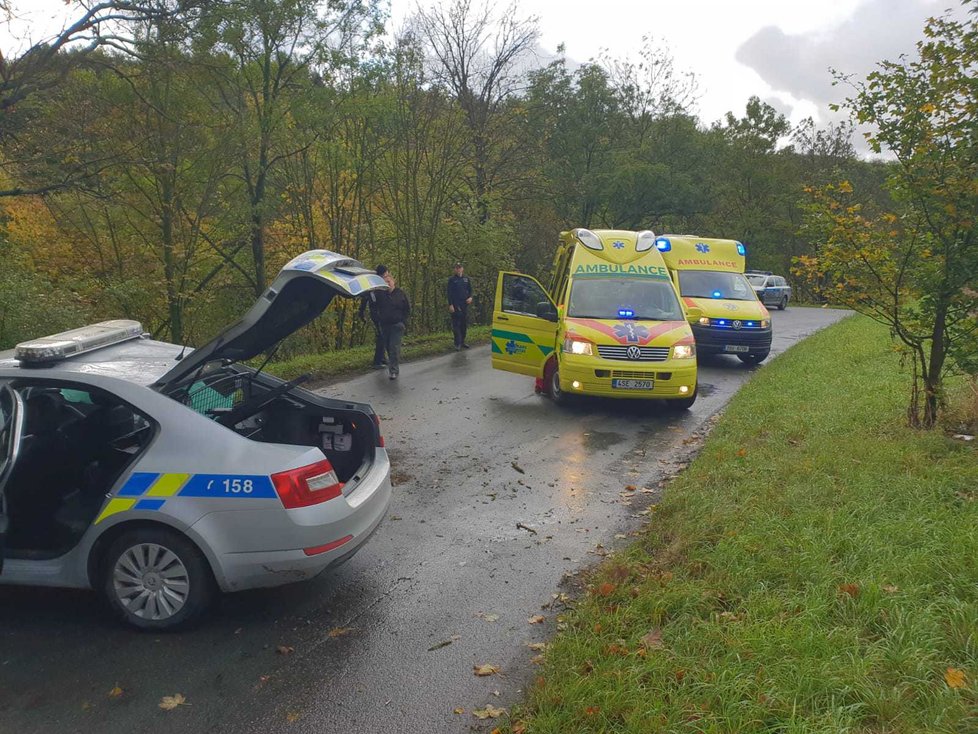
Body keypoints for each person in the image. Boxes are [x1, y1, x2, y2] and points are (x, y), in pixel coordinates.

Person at [376, 269, 410, 380]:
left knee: (394, 348)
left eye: (389, 282)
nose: (387, 284)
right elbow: (374, 307)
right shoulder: (380, 294)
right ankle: (393, 365)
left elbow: (407, 309)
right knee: (388, 347)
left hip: (397, 325)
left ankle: (393, 371)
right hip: (385, 325)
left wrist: (403, 322)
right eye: (385, 283)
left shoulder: (400, 293)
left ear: (393, 282)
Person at [358, 264, 388, 368]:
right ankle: (377, 362)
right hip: (377, 314)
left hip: (377, 313)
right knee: (381, 336)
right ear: (384, 273)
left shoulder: (373, 283)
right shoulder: (378, 285)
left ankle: (382, 358)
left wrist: (361, 312)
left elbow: (364, 299)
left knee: (382, 335)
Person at [447, 261, 473, 350]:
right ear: (455, 269)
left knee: (463, 324)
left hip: (464, 304)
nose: (458, 269)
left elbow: (470, 290)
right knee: (456, 324)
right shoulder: (452, 280)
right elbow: (449, 293)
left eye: (459, 268)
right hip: (455, 304)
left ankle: (462, 341)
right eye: (456, 268)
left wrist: (470, 297)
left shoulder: (466, 279)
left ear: (462, 269)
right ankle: (457, 343)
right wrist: (450, 305)